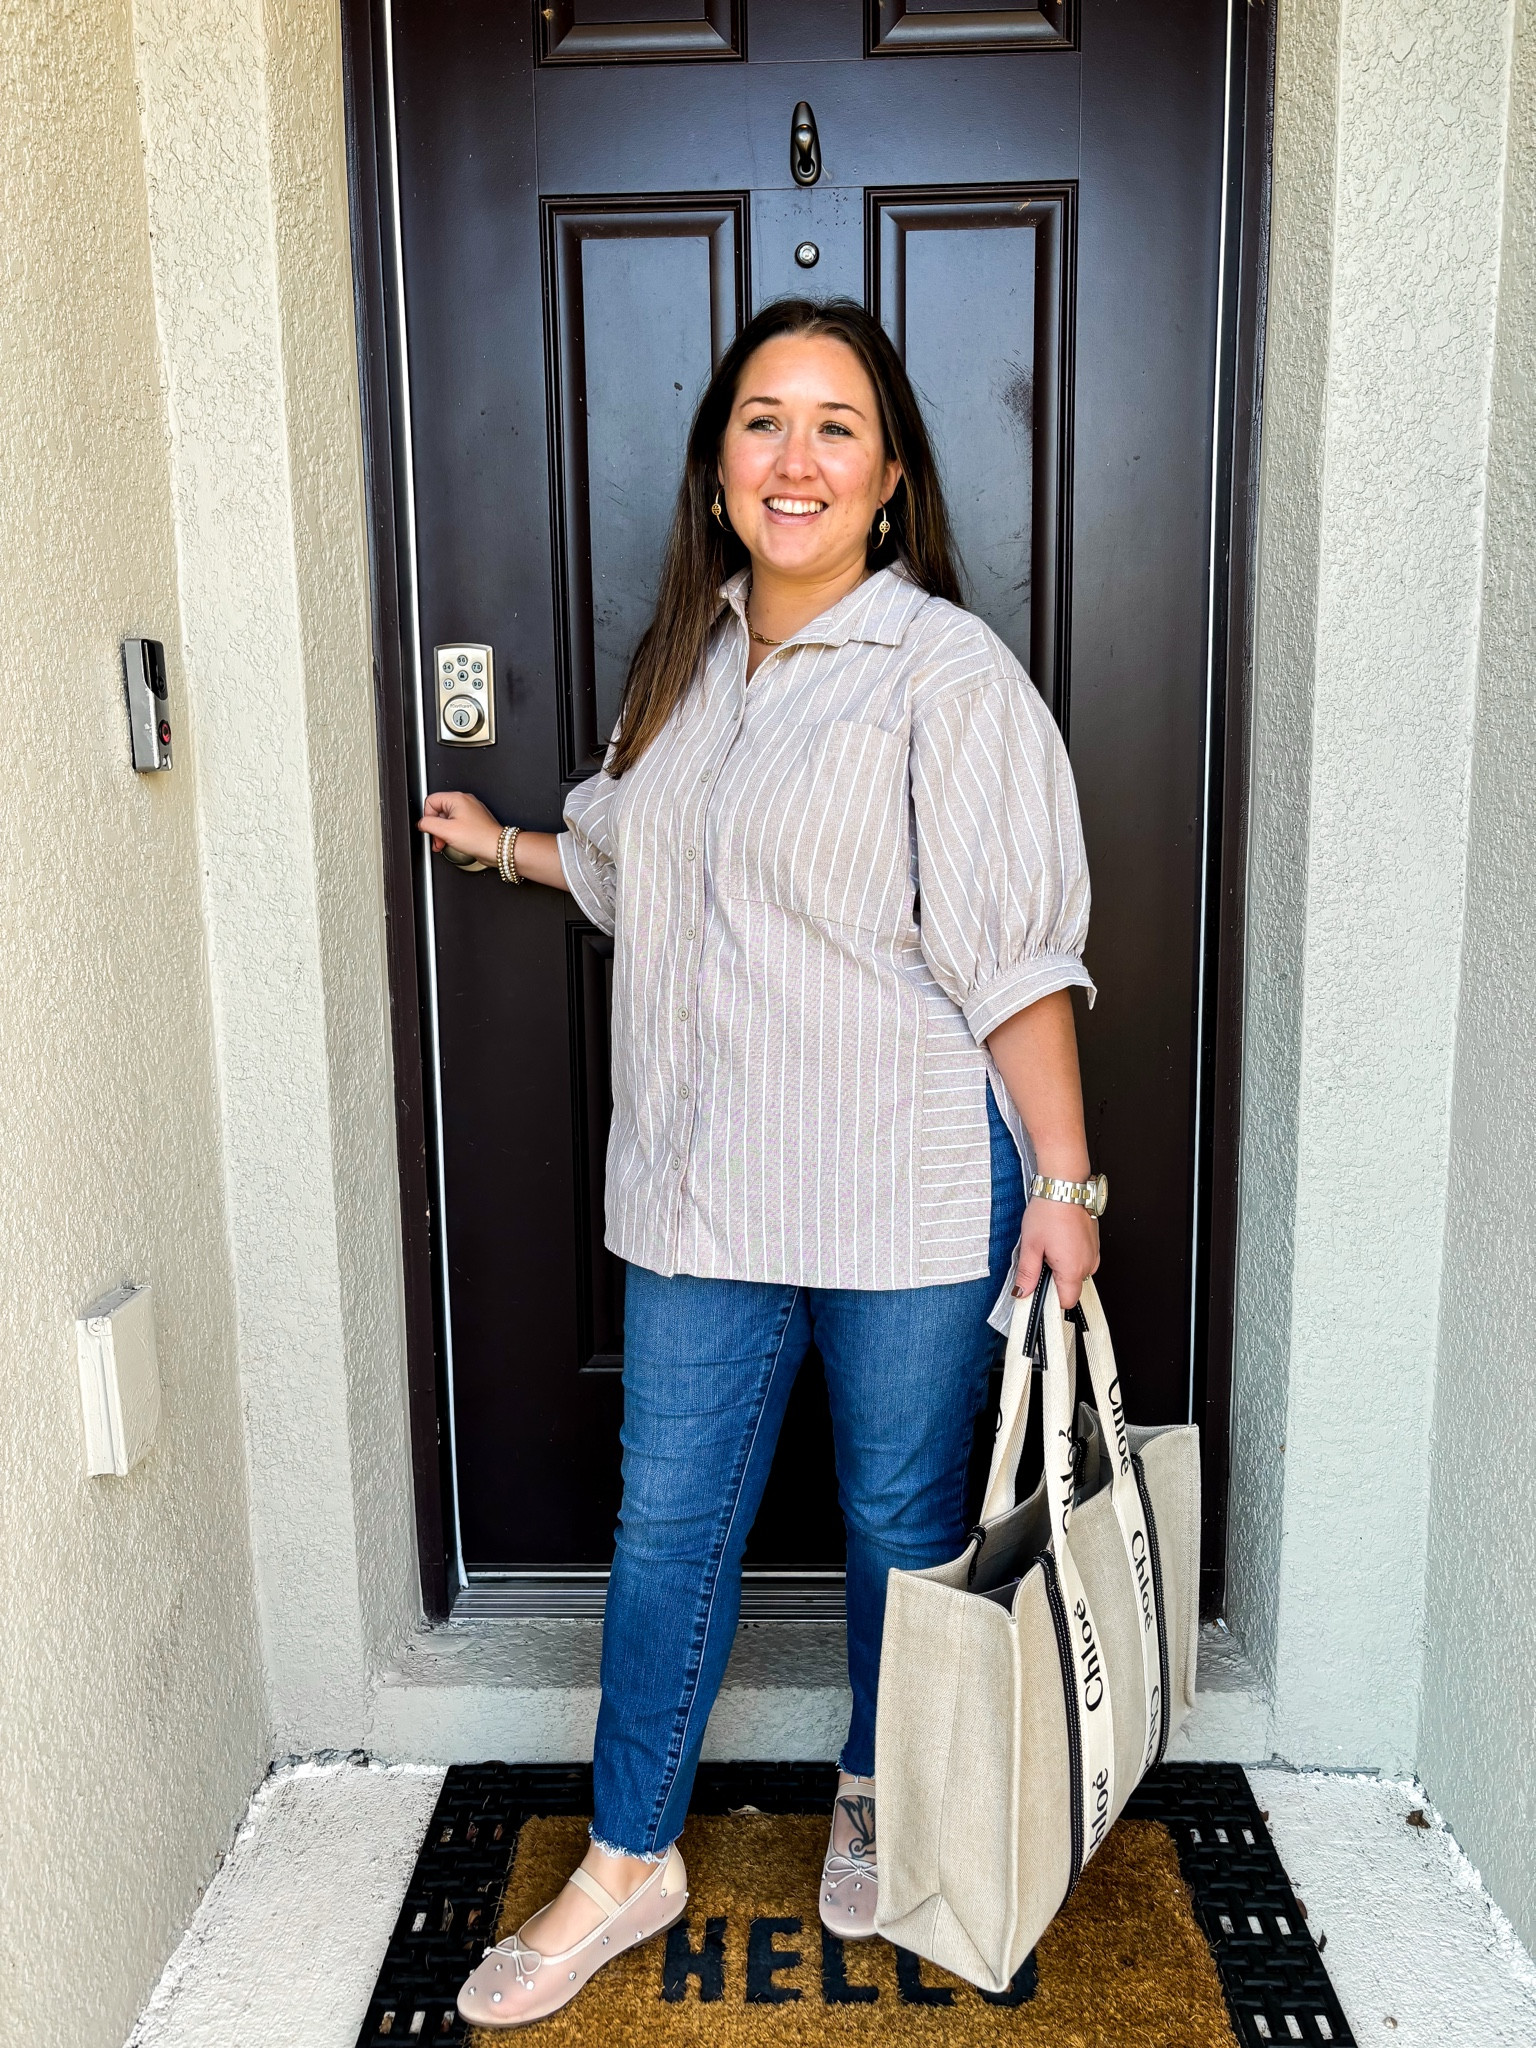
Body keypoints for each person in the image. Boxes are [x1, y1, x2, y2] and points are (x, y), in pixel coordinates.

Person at [421, 298, 1103, 2028]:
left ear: (889, 480)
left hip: (900, 1201)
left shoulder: (948, 679)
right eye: (762, 423)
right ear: (721, 467)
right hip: (701, 1198)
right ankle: (631, 1854)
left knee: (898, 1524)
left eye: (835, 428)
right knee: (667, 1531)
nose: (794, 458)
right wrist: (508, 845)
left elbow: (1014, 958)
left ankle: (878, 1785)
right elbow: (637, 865)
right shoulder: (690, 669)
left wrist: (1067, 1184)